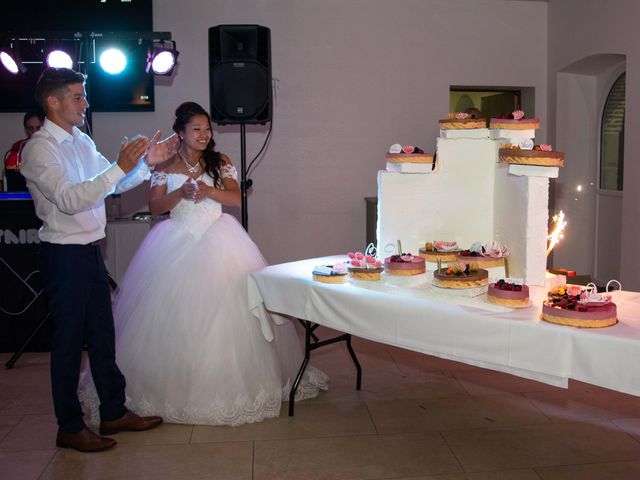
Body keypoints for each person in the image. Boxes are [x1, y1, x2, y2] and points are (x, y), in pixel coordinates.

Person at [79, 102, 328, 426]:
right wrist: (181, 192)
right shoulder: (165, 164)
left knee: (231, 313)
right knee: (173, 317)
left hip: (220, 239)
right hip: (175, 240)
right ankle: (168, 388)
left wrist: (210, 190)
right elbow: (155, 206)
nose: (203, 134)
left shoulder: (220, 161)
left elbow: (236, 198)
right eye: (196, 129)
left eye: (207, 129)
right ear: (180, 133)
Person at [21, 67, 179, 452]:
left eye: (83, 95)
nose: (85, 103)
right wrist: (120, 168)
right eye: (77, 96)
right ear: (52, 102)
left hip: (91, 250)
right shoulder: (40, 149)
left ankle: (113, 411)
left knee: (103, 336)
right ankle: (69, 426)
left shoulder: (80, 141)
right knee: (69, 343)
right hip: (63, 255)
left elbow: (111, 186)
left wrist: (144, 165)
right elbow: (72, 199)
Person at [3, 110, 45, 191]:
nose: (34, 132)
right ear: (26, 130)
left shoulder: (55, 146)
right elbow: (12, 171)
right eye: (30, 128)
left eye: (38, 128)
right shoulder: (19, 146)